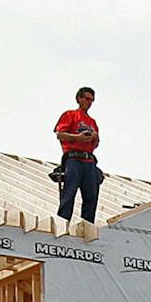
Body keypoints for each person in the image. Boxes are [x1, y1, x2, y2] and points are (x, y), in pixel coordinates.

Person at [53, 86, 101, 223]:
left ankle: (87, 226)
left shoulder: (92, 122)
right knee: (69, 194)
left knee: (91, 197)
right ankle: (63, 223)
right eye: (86, 99)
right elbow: (60, 134)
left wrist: (95, 139)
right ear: (79, 98)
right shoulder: (70, 115)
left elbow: (95, 145)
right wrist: (77, 137)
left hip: (89, 161)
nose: (89, 102)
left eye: (91, 100)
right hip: (74, 159)